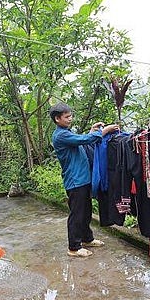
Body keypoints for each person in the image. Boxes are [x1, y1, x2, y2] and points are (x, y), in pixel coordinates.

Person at [50, 102, 119, 257]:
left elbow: (80, 139)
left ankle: (87, 239)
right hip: (75, 180)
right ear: (57, 119)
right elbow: (83, 140)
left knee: (86, 211)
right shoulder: (61, 135)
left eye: (70, 116)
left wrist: (92, 131)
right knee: (77, 213)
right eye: (67, 117)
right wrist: (103, 131)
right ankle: (73, 247)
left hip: (83, 178)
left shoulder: (67, 132)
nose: (70, 119)